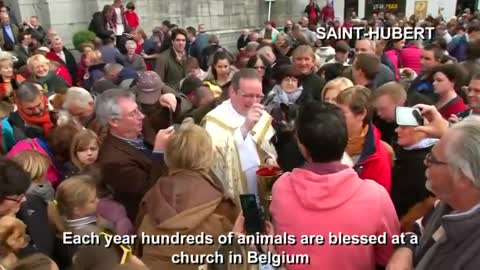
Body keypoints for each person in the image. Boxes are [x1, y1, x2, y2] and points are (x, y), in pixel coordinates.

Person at [271, 101, 399, 270]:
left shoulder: (282, 187)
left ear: (302, 147)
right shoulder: (375, 196)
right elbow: (387, 256)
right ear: (345, 140)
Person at [136, 119, 238, 269]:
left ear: (168, 155)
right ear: (208, 155)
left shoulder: (149, 201)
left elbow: (137, 250)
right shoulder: (223, 206)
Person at [387, 111, 480, 270]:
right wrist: (405, 250)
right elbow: (418, 229)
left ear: (464, 176)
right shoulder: (448, 203)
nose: (425, 161)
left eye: (432, 159)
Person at [202, 69, 277, 204]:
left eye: (258, 96)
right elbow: (214, 161)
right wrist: (245, 128)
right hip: (234, 193)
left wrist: (269, 158)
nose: (254, 101)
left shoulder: (262, 115)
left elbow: (266, 146)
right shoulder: (214, 120)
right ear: (232, 92)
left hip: (259, 184)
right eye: (248, 95)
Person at [95, 88, 172, 221]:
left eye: (137, 109)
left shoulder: (137, 126)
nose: (141, 116)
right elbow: (148, 193)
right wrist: (159, 152)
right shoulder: (113, 161)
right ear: (114, 122)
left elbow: (153, 121)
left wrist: (164, 105)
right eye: (133, 113)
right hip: (152, 217)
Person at [336, 85, 392, 193]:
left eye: (342, 113)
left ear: (361, 114)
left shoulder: (378, 156)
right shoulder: (328, 140)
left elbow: (379, 199)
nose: (335, 116)